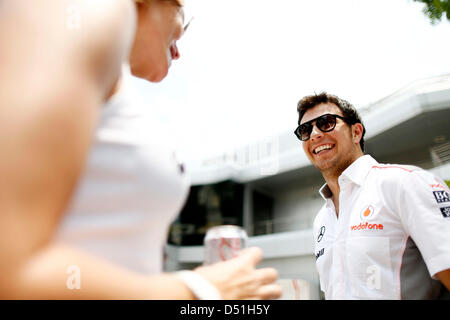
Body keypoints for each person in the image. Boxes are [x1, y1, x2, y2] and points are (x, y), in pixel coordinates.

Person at [0, 0, 281, 299]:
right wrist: (198, 290)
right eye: (181, 26)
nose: (178, 51)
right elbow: (10, 269)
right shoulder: (95, 12)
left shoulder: (105, 70)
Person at [294, 92, 450, 299]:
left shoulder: (405, 183)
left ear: (356, 132)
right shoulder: (322, 219)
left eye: (326, 123)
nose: (314, 134)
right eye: (305, 130)